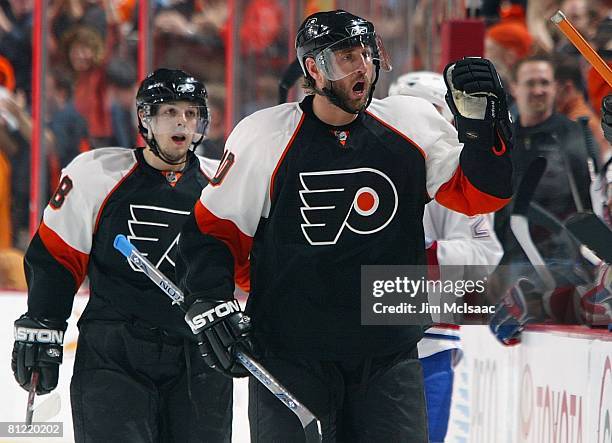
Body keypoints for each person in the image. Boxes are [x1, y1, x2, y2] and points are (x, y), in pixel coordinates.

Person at [176, 10, 513, 442]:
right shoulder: (264, 136)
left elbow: (482, 195)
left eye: (367, 55)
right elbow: (213, 231)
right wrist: (207, 300)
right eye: (345, 58)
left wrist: (485, 130)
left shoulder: (412, 124)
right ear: (313, 69)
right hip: (290, 356)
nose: (362, 68)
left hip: (387, 358)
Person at [11, 68, 232, 442]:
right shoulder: (96, 173)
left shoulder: (222, 185)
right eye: (169, 112)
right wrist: (43, 323)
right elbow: (56, 256)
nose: (182, 121)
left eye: (191, 113)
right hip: (115, 355)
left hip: (199, 357)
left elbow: (249, 261)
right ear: (145, 118)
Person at [389, 71, 504, 442]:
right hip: (361, 342)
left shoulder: (454, 172)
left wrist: (415, 254)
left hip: (430, 344)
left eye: (429, 111)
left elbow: (484, 254)